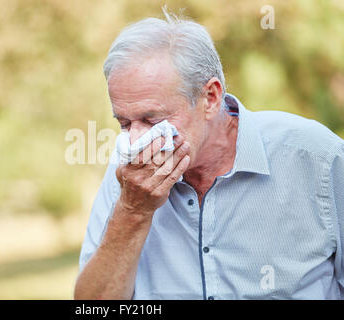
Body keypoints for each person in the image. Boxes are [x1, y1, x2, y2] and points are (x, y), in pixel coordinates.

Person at [74, 8, 344, 300]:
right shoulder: (128, 175)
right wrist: (132, 212)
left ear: (210, 98)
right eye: (124, 123)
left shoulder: (316, 158)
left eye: (152, 120)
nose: (136, 140)